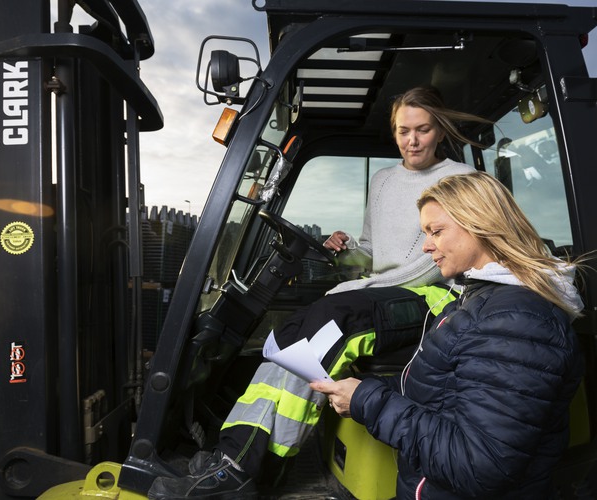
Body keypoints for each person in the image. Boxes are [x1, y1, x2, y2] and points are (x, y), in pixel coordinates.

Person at [148, 86, 490, 500]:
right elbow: (372, 252)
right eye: (403, 131)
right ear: (394, 131)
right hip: (380, 292)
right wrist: (348, 251)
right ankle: (242, 462)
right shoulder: (383, 181)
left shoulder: (462, 180)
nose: (412, 140)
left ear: (439, 130)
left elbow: (438, 257)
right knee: (290, 335)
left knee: (332, 322)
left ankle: (240, 467)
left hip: (432, 297)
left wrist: (365, 286)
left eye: (423, 130)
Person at [311, 171, 585, 499]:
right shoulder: (479, 299)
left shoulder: (517, 321)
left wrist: (368, 403)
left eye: (436, 231)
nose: (427, 246)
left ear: (480, 224)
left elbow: (478, 465)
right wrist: (362, 390)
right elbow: (434, 392)